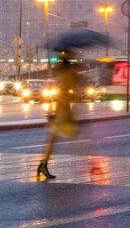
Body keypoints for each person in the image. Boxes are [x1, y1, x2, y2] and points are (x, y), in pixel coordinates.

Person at [37, 51, 82, 180]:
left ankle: (43, 164)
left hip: (62, 110)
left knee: (53, 139)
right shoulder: (67, 75)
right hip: (62, 111)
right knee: (56, 139)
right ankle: (43, 164)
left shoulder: (63, 74)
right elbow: (65, 93)